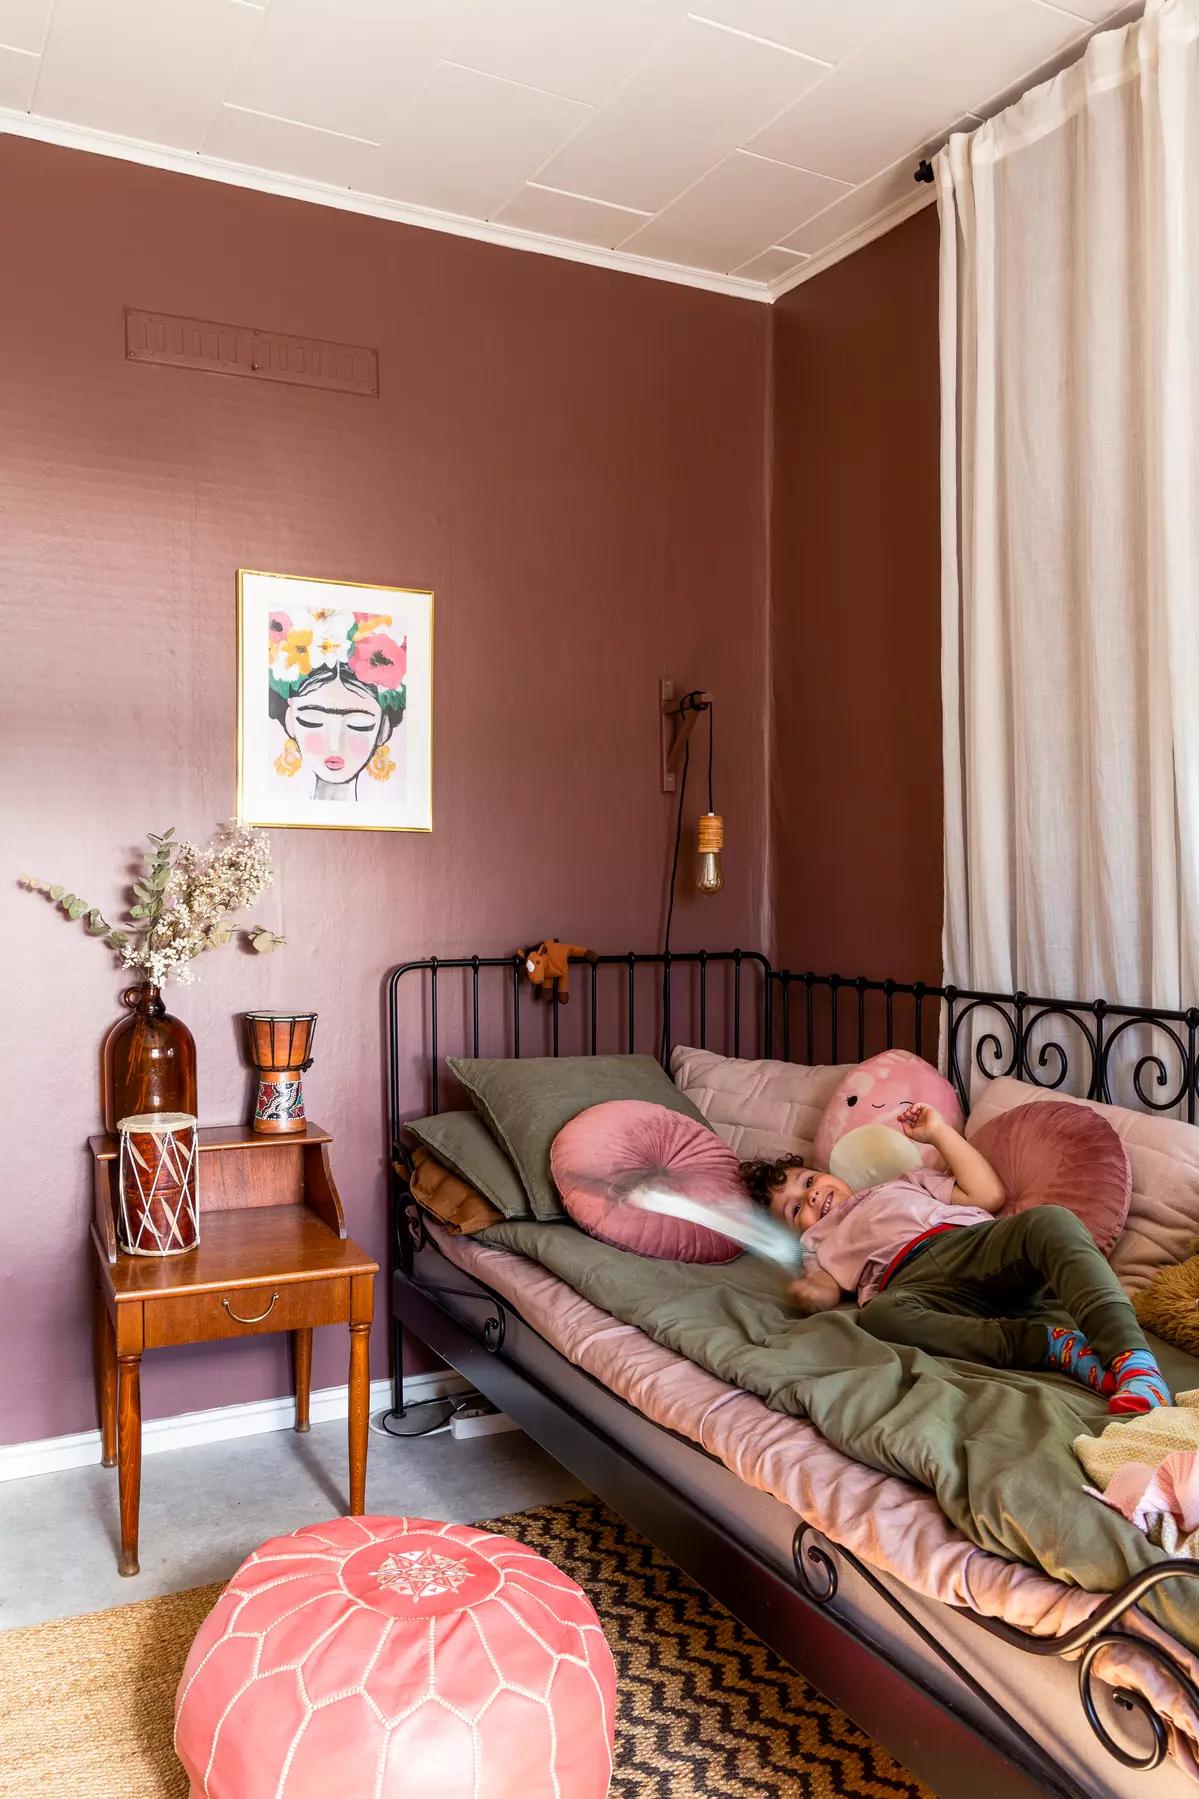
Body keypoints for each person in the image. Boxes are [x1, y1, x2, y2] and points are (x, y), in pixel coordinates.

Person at [742, 1104, 1170, 1416]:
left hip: (974, 1248)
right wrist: (808, 1293)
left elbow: (989, 1195)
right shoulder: (817, 1242)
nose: (811, 1197)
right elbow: (825, 1287)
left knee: (1052, 1222)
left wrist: (940, 1133)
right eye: (797, 1209)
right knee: (880, 1316)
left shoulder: (903, 1183)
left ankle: (1133, 1361)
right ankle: (1051, 1346)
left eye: (809, 1181)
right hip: (914, 1285)